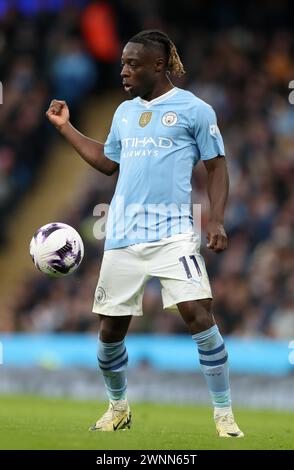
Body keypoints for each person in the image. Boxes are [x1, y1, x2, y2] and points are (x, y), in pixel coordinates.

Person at [46, 30, 244, 438]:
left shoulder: (195, 110)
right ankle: (118, 408)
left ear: (158, 65)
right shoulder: (123, 112)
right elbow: (106, 162)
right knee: (109, 335)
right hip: (121, 235)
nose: (124, 71)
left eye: (132, 64)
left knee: (198, 313)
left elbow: (217, 166)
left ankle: (224, 415)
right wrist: (66, 128)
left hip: (174, 234)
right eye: (122, 63)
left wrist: (217, 219)